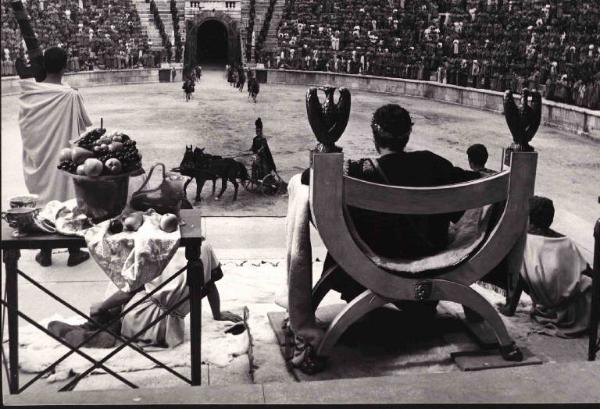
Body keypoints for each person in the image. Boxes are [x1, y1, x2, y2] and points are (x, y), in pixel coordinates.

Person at [288, 104, 479, 372]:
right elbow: (475, 186)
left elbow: (309, 177)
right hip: (429, 261)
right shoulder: (435, 164)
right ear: (408, 135)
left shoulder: (360, 170)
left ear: (375, 137)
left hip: (370, 267)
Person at [48, 241, 242, 348]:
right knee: (139, 295)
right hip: (171, 330)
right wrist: (218, 314)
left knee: (126, 285)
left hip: (142, 323)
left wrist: (102, 306)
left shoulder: (162, 253)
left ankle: (102, 332)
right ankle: (94, 330)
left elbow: (131, 291)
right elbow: (211, 286)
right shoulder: (206, 248)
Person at [18, 47, 91, 267]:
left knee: (44, 198)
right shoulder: (70, 95)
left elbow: (26, 128)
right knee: (68, 197)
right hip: (64, 156)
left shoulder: (29, 94)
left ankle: (45, 252)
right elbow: (83, 127)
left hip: (41, 155)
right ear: (65, 66)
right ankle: (73, 251)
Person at [515, 196, 593, 337]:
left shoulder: (526, 244)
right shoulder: (565, 242)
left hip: (549, 302)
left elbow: (520, 278)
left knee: (520, 268)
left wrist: (510, 308)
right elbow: (586, 269)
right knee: (588, 280)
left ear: (532, 224)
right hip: (577, 306)